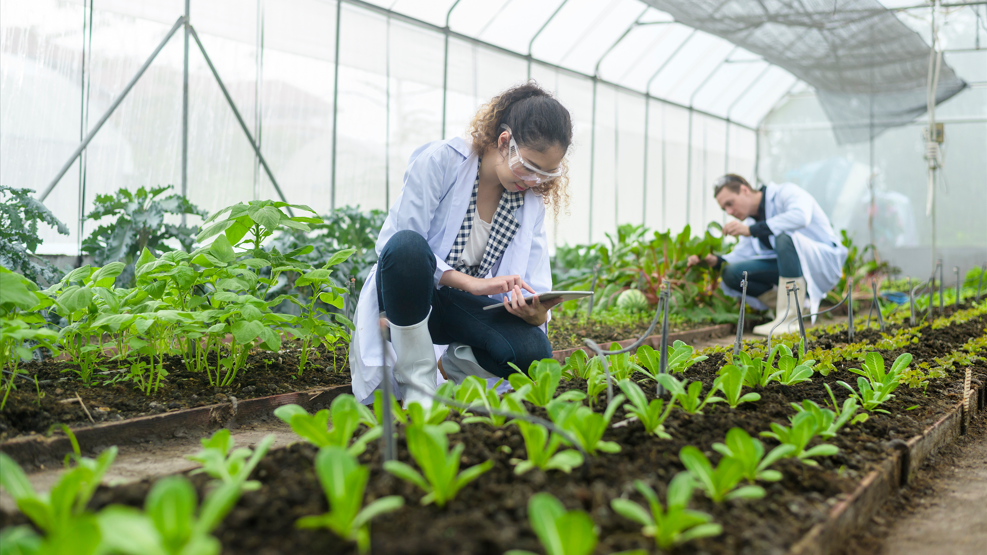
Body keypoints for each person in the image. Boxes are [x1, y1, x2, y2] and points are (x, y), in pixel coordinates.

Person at [349, 82, 572, 406]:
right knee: (407, 248)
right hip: (410, 296)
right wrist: (472, 284)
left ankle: (452, 366)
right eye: (529, 168)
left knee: (533, 353)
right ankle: (419, 386)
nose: (533, 182)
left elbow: (533, 280)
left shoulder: (528, 201)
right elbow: (393, 245)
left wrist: (536, 314)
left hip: (462, 308)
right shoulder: (442, 161)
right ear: (504, 141)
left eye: (545, 175)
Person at [688, 174, 847, 336]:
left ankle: (790, 319)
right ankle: (792, 310)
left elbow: (801, 217)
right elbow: (740, 255)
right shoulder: (752, 222)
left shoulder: (786, 192)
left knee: (784, 237)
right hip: (790, 268)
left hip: (821, 262)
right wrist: (713, 260)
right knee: (732, 273)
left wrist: (752, 231)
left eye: (730, 204)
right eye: (724, 209)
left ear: (744, 190)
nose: (729, 212)